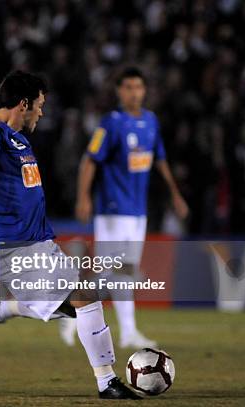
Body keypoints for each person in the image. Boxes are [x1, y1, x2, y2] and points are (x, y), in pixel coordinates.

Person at [0, 71, 140, 399]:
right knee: (87, 295)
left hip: (38, 244)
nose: (41, 112)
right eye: (39, 105)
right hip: (13, 249)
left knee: (78, 306)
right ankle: (107, 382)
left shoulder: (18, 138)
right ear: (24, 103)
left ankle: (1, 310)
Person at [59, 67, 189, 349]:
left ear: (144, 90)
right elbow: (90, 159)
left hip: (138, 211)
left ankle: (127, 331)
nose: (134, 92)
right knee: (111, 271)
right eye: (128, 87)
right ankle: (71, 314)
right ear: (119, 91)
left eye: (138, 87)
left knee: (124, 272)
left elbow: (160, 160)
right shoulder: (111, 123)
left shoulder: (151, 121)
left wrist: (175, 194)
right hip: (113, 208)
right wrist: (84, 197)